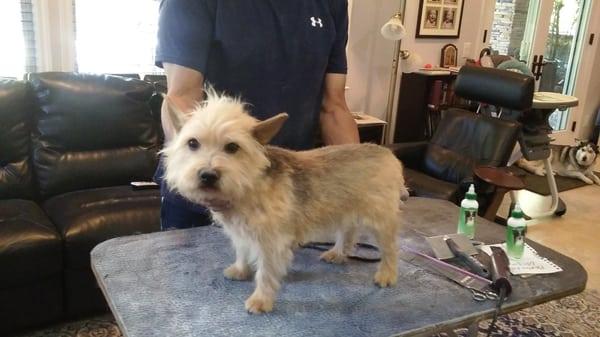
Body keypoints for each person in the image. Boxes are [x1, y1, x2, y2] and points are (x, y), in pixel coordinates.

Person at [154, 0, 359, 230]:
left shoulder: (331, 4)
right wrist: (206, 176)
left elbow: (334, 107)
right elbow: (181, 96)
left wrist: (360, 177)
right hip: (205, 189)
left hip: (284, 188)